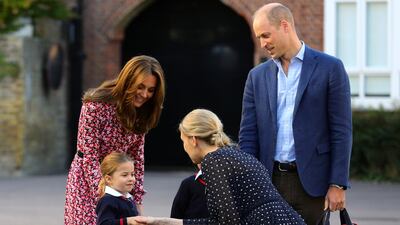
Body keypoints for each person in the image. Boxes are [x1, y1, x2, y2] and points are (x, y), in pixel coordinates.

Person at [239, 3, 352, 225]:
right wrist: (248, 183)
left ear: (285, 26)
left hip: (313, 185)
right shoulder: (256, 77)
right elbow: (248, 136)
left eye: (265, 35)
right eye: (259, 37)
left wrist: (337, 184)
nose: (262, 44)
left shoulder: (331, 68)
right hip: (268, 183)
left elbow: (341, 130)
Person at [134, 109, 306, 225]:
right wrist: (165, 221)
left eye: (183, 141)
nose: (184, 147)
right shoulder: (238, 155)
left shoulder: (213, 161)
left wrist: (163, 222)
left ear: (193, 139)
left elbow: (226, 222)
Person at [64, 55, 166, 225]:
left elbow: (137, 160)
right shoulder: (95, 106)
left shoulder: (143, 112)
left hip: (121, 182)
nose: (145, 94)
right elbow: (88, 156)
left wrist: (137, 201)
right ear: (128, 81)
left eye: (151, 90)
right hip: (87, 182)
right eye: (140, 87)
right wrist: (106, 197)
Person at [96, 152, 139, 225]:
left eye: (132, 174)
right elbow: (104, 223)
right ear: (109, 179)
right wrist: (127, 221)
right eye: (125, 175)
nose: (131, 179)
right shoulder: (108, 200)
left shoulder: (128, 198)